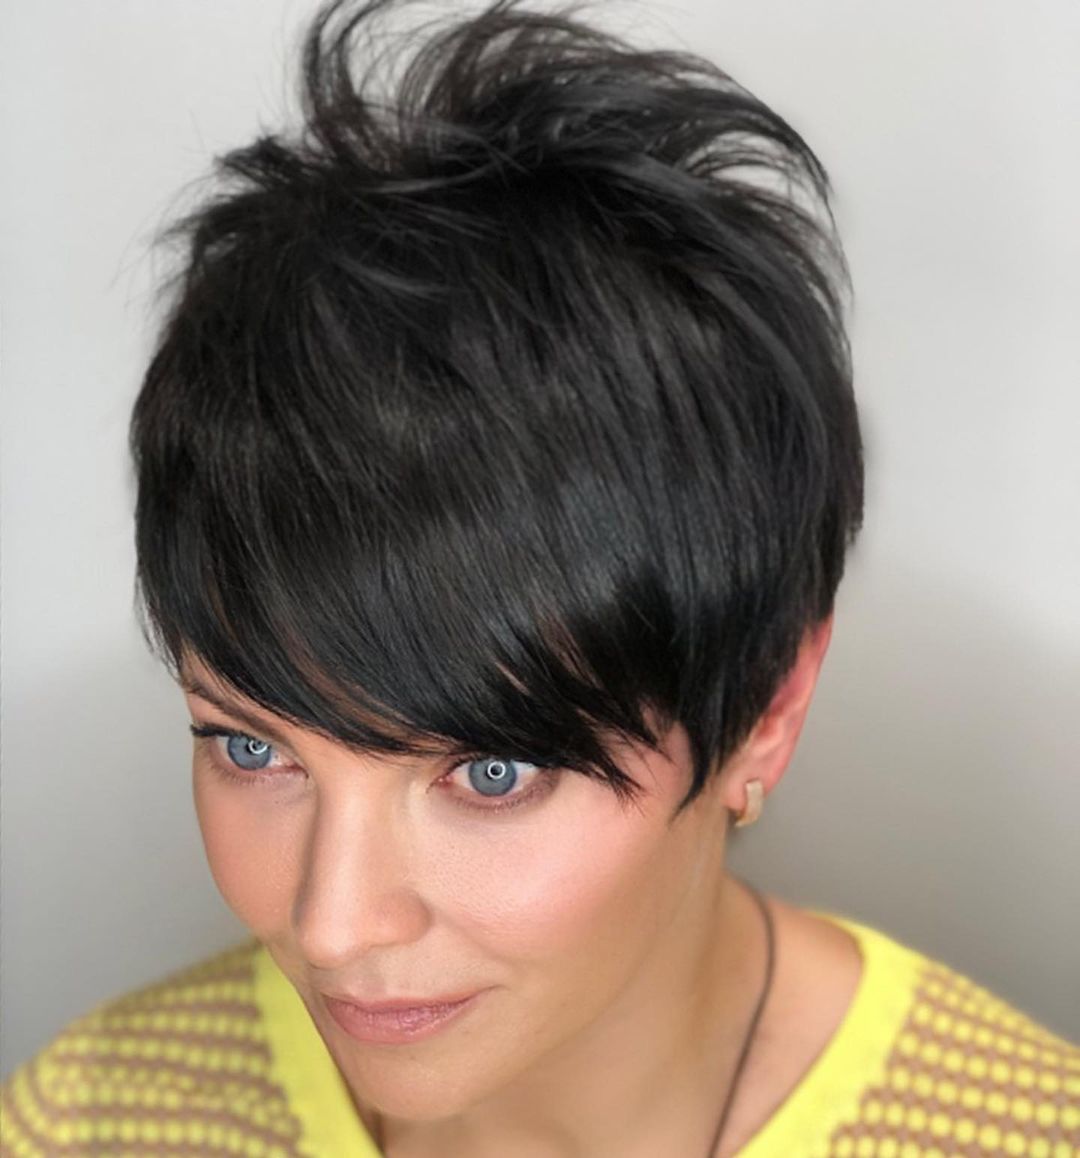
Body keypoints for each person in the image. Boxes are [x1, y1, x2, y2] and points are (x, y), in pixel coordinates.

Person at [2, 0, 1077, 1154]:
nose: (332, 924)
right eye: (253, 750)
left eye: (491, 773)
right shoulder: (92, 1123)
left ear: (768, 708)